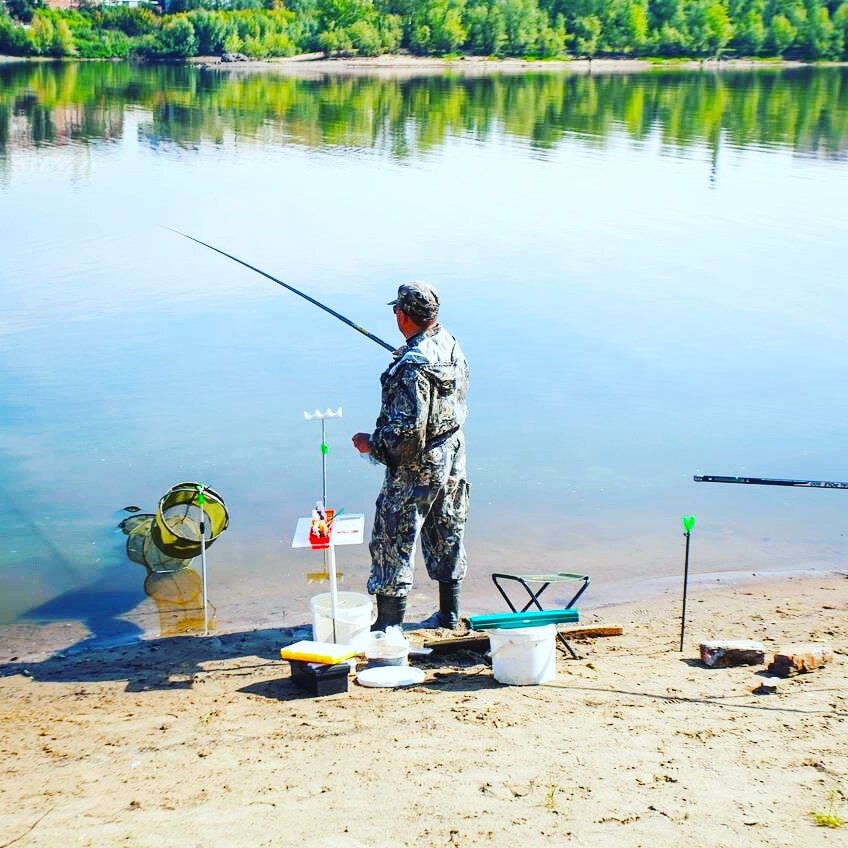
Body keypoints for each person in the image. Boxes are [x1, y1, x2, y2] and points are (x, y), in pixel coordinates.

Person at [352, 282, 469, 631]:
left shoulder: (411, 369)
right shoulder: (448, 343)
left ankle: (388, 626)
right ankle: (449, 615)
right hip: (452, 450)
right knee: (447, 525)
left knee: (392, 536)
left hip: (418, 463)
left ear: (402, 315)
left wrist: (371, 444)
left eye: (395, 311)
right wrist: (409, 353)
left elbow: (406, 433)